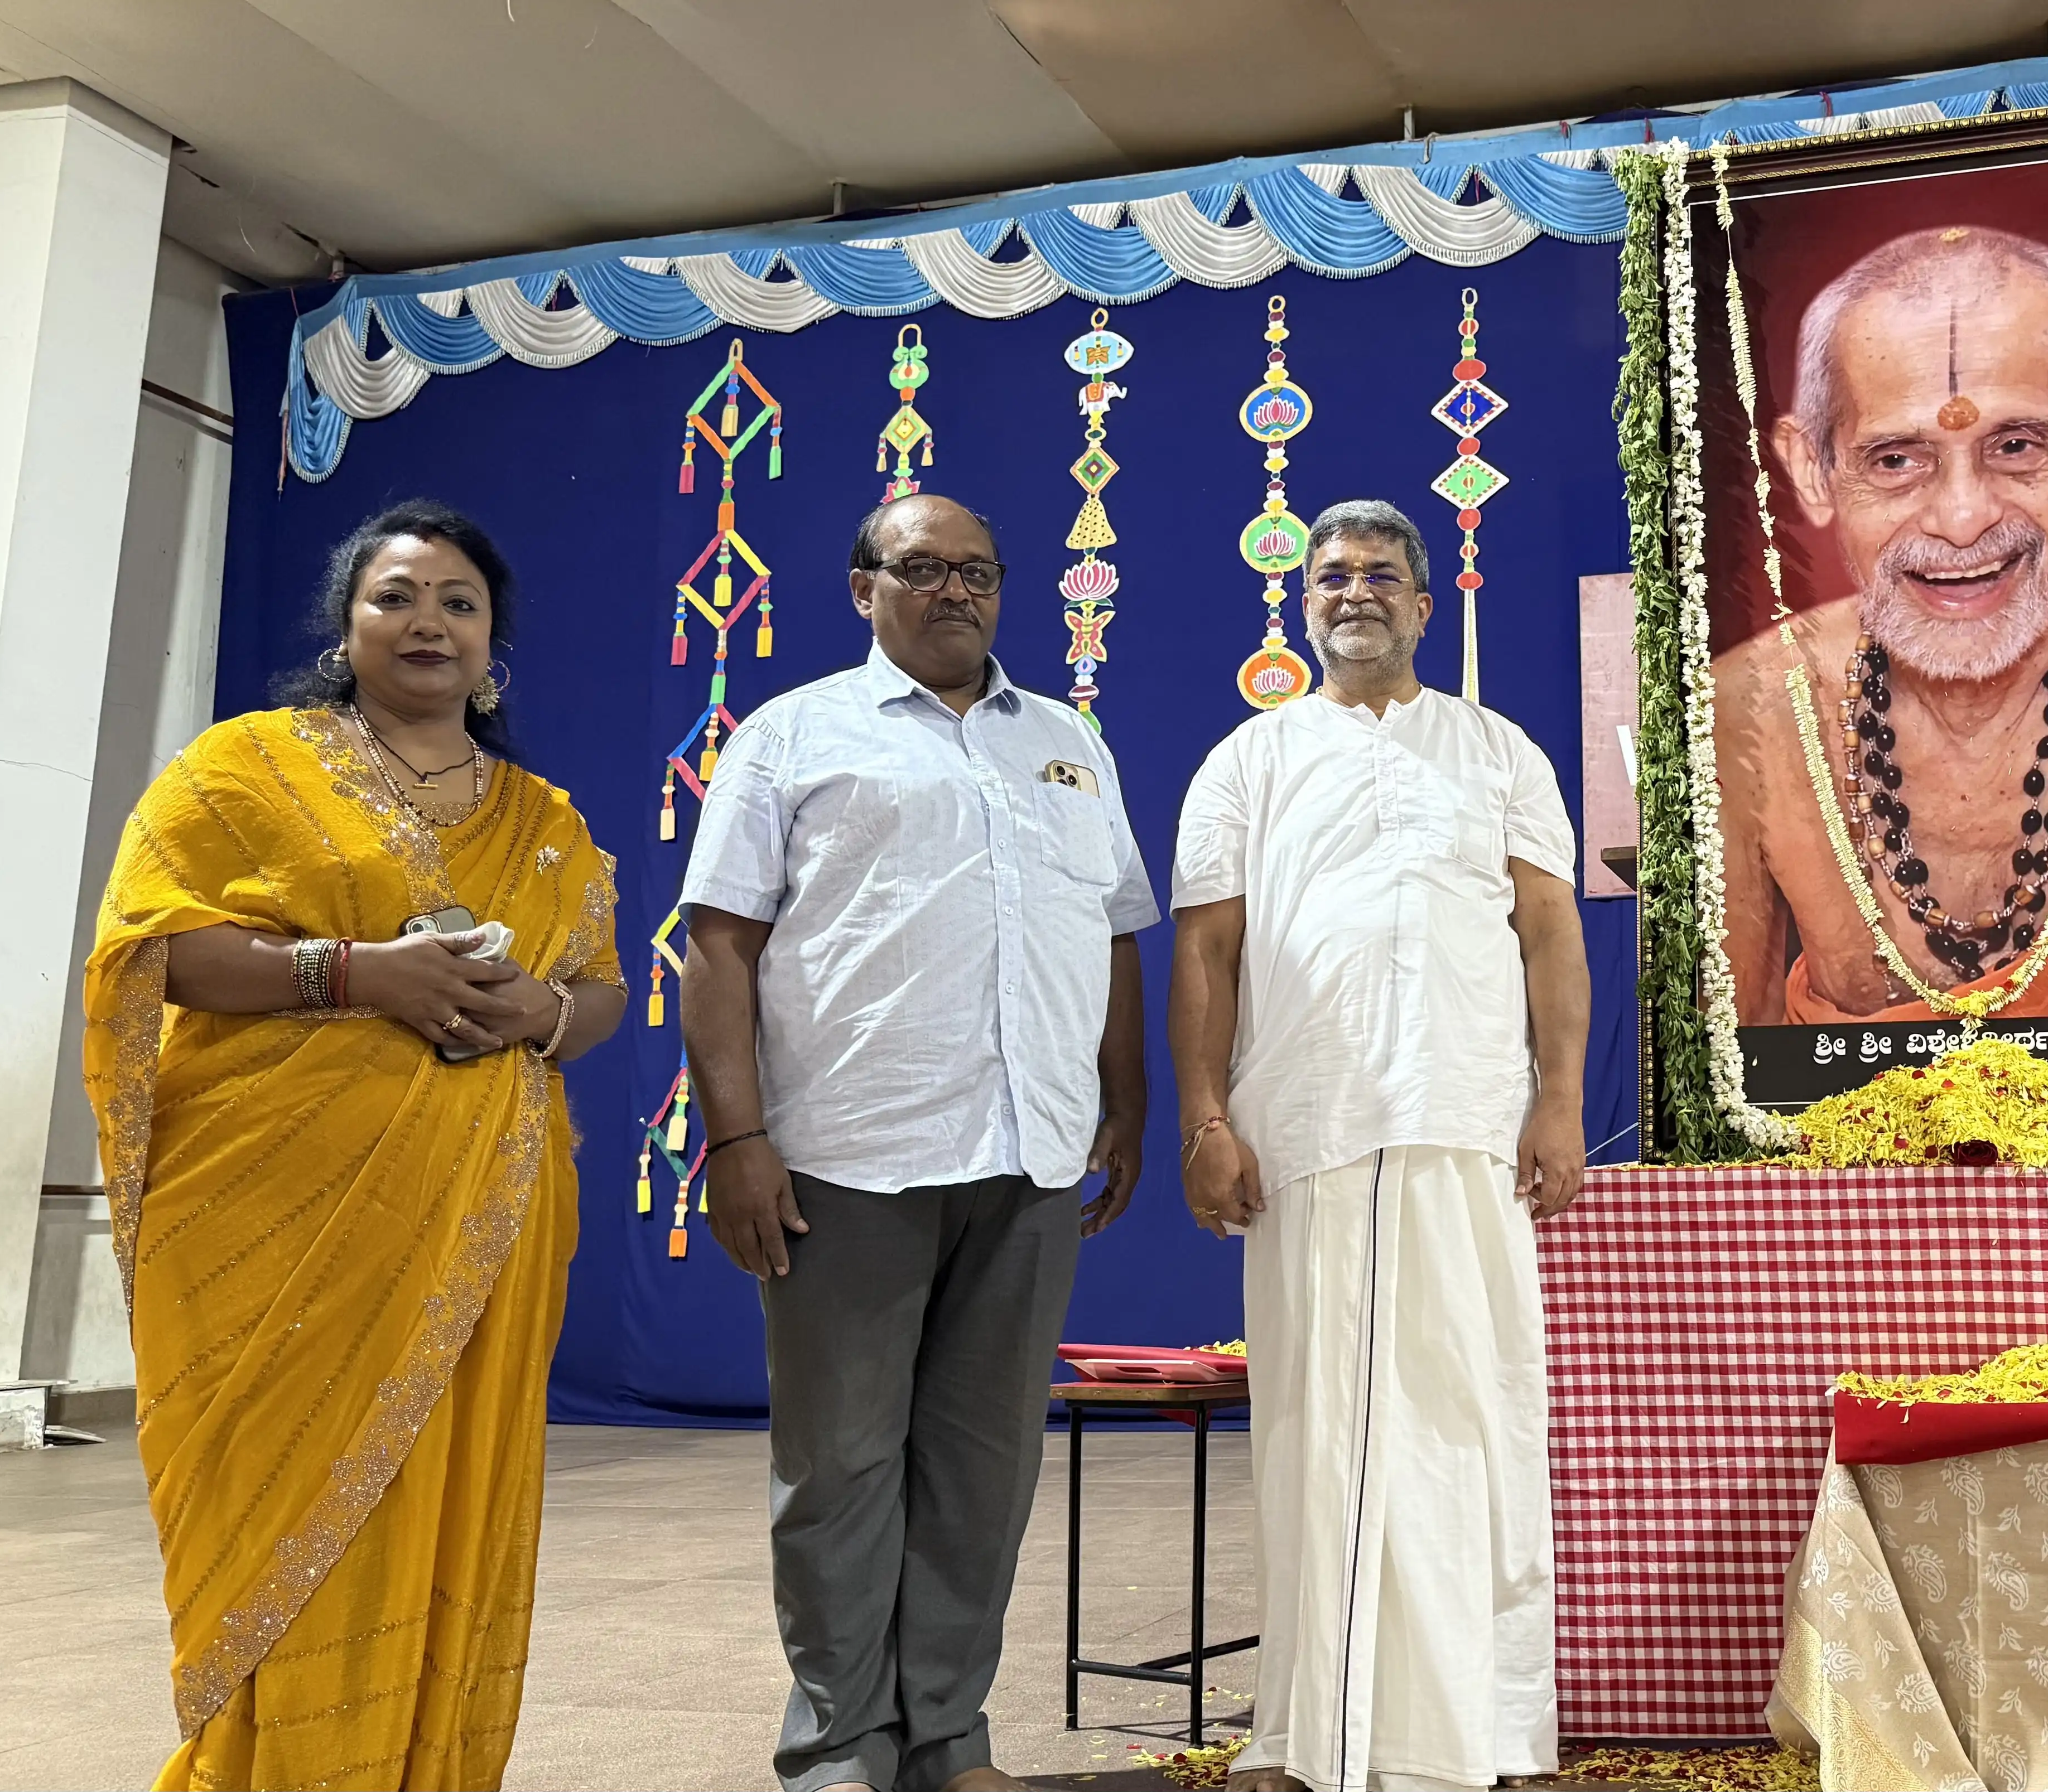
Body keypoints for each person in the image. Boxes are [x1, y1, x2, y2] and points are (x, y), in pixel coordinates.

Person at [83, 499, 628, 1791]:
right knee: (283, 1503)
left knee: (451, 1504)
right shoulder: (242, 768)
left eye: (457, 601)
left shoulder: (541, 816)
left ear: (493, 642)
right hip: (276, 1218)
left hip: (480, 1216)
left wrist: (544, 1011)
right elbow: (152, 951)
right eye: (396, 596)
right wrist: (353, 974)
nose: (427, 620)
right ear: (348, 626)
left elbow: (599, 987)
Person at [679, 491, 1155, 1792]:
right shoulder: (790, 737)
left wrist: (1127, 1097)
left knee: (981, 1473)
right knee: (838, 1468)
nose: (956, 592)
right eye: (924, 569)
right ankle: (838, 1746)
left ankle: (947, 1739)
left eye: (980, 573)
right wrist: (737, 1141)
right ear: (861, 586)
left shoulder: (1066, 743)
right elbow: (719, 946)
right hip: (850, 1153)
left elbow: (1112, 930)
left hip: (1030, 1153)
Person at [1169, 499, 1589, 1792]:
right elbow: (1207, 952)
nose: (1355, 591)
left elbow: (1551, 937)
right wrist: (1206, 1119)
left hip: (1468, 1120)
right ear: (1306, 603)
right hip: (1309, 1131)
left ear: (1423, 601)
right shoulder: (1247, 761)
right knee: (1315, 1424)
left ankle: (1490, 1727)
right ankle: (1312, 1731)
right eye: (1331, 575)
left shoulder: (1500, 750)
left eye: (1380, 575)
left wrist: (1559, 1100)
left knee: (1479, 1414)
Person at [1712, 224, 2048, 1022]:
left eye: (2015, 445)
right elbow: (1735, 1082)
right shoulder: (1754, 706)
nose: (1964, 519)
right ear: (1812, 469)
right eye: (1896, 460)